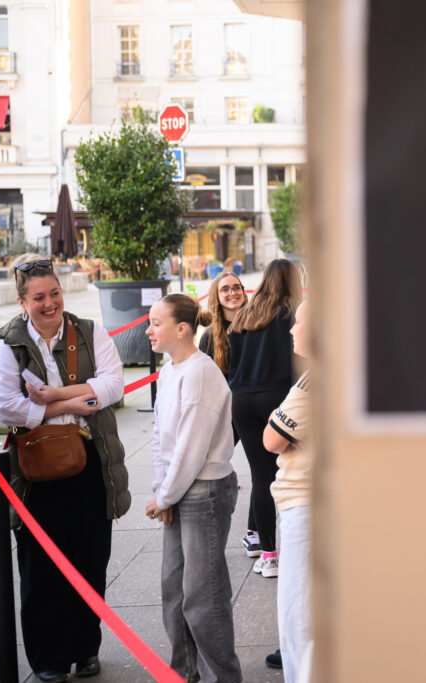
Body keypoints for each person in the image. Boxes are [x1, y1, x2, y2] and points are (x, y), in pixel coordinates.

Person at [0, 254, 130, 682]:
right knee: (40, 568)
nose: (49, 303)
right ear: (22, 302)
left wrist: (51, 396)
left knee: (91, 559)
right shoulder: (9, 344)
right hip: (35, 471)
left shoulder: (89, 331)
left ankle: (86, 649)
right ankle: (48, 660)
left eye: (54, 293)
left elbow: (113, 386)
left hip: (90, 462)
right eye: (38, 297)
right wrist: (70, 404)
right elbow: (5, 407)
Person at [145, 294, 242, 682]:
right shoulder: (169, 371)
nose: (149, 330)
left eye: (156, 323)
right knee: (175, 591)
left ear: (182, 329)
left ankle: (223, 677)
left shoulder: (200, 373)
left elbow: (191, 446)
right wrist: (163, 490)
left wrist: (165, 495)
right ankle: (184, 672)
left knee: (204, 597)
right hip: (179, 487)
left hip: (205, 492)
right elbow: (160, 435)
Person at [227, 258, 300, 579]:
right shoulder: (292, 313)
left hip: (242, 401)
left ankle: (268, 554)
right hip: (278, 398)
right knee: (289, 473)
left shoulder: (244, 315)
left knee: (260, 475)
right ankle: (298, 547)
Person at [263, 300, 314, 680]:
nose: (292, 329)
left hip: (306, 504)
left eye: (299, 322)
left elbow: (271, 439)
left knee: (298, 614)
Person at [198, 271, 261, 557]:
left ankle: (255, 532)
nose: (233, 292)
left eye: (237, 287)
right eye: (225, 289)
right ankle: (203, 531)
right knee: (208, 468)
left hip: (251, 409)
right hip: (223, 412)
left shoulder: (257, 325)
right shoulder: (210, 336)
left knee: (262, 471)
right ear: (216, 295)